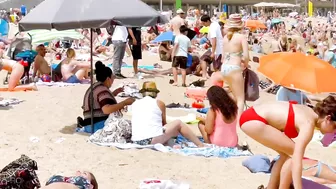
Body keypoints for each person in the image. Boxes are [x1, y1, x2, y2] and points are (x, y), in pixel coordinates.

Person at [239, 96, 336, 189]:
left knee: (286, 154)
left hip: (251, 115)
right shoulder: (308, 124)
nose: (333, 132)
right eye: (335, 127)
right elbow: (297, 161)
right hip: (254, 120)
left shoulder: (308, 111)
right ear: (328, 118)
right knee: (293, 153)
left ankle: (272, 187)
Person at [131, 81, 204, 147]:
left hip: (136, 140)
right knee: (178, 123)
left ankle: (170, 144)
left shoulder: (135, 103)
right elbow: (163, 123)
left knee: (165, 131)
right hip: (150, 140)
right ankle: (200, 144)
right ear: (155, 93)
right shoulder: (159, 103)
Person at [78, 61, 135, 133]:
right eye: (113, 78)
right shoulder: (102, 89)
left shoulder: (95, 87)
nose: (113, 81)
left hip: (88, 124)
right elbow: (106, 109)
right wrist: (124, 103)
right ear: (108, 79)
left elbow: (98, 101)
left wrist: (113, 93)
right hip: (97, 125)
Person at [221, 14, 249, 118]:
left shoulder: (225, 38)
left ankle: (225, 116)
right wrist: (245, 64)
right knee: (240, 99)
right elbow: (246, 56)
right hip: (235, 67)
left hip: (224, 67)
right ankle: (238, 123)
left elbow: (223, 57)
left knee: (228, 92)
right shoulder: (241, 37)